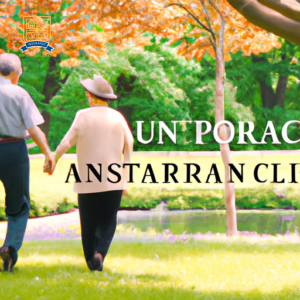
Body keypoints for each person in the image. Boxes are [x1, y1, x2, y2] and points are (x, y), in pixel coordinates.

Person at [54, 74, 133, 271]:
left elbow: (66, 142)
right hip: (113, 179)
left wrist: (53, 160)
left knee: (88, 221)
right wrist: (126, 179)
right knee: (108, 220)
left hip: (87, 180)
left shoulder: (82, 115)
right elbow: (129, 146)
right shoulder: (118, 117)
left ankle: (91, 260)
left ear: (90, 96)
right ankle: (99, 254)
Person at [0, 53, 55, 272]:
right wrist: (47, 153)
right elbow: (33, 129)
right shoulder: (20, 93)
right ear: (16, 72)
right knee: (19, 203)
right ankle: (9, 248)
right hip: (14, 150)